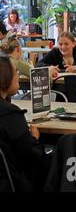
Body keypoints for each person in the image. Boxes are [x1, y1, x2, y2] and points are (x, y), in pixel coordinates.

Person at [0, 56, 48, 191]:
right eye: (16, 72)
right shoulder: (10, 115)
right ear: (5, 78)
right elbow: (31, 156)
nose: (18, 76)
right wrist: (34, 138)